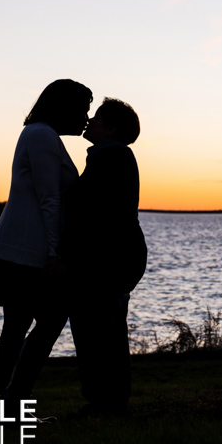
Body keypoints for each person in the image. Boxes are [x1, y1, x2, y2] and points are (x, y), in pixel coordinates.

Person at [0, 79, 92, 403]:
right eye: (83, 110)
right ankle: (12, 399)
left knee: (19, 327)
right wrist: (55, 252)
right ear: (65, 108)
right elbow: (49, 199)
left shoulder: (40, 136)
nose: (86, 118)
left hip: (23, 248)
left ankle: (12, 399)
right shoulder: (42, 136)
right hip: (27, 251)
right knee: (36, 324)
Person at [62, 97, 147, 416]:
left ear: (111, 128)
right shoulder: (109, 157)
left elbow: (93, 216)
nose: (89, 121)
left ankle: (106, 401)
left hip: (109, 259)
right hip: (117, 257)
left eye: (96, 117)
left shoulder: (111, 158)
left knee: (95, 329)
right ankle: (111, 400)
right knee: (105, 328)